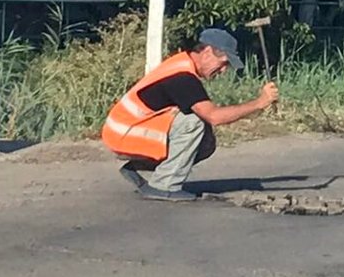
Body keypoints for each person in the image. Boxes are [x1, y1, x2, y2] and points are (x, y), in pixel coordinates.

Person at [101, 27, 278, 201]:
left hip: (125, 130)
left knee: (205, 137)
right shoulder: (182, 77)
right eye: (223, 63)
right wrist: (259, 103)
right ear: (207, 52)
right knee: (195, 122)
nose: (224, 70)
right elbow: (214, 116)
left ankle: (138, 167)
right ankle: (164, 185)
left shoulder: (182, 65)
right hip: (123, 134)